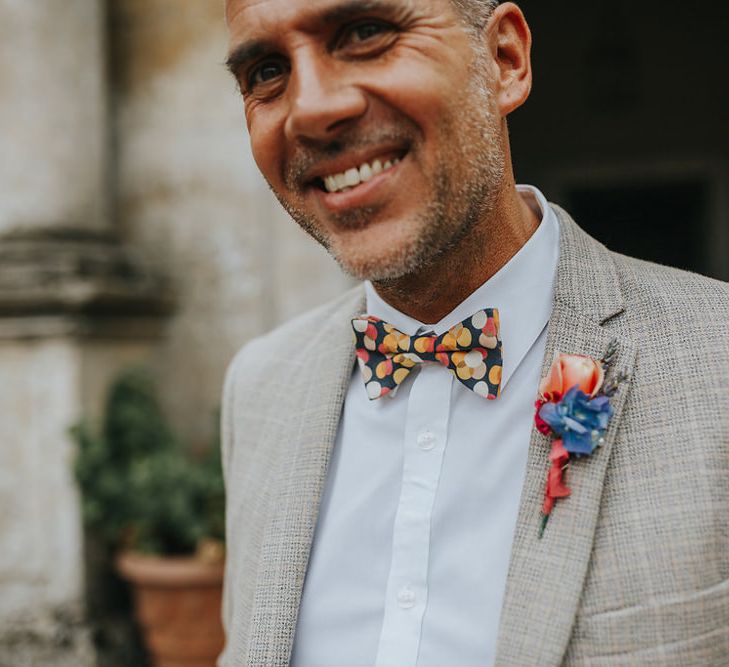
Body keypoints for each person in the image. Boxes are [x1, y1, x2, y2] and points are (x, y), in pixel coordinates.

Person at [219, 0, 729, 665]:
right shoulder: (256, 388)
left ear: (504, 61)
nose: (311, 108)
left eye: (366, 33)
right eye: (265, 70)